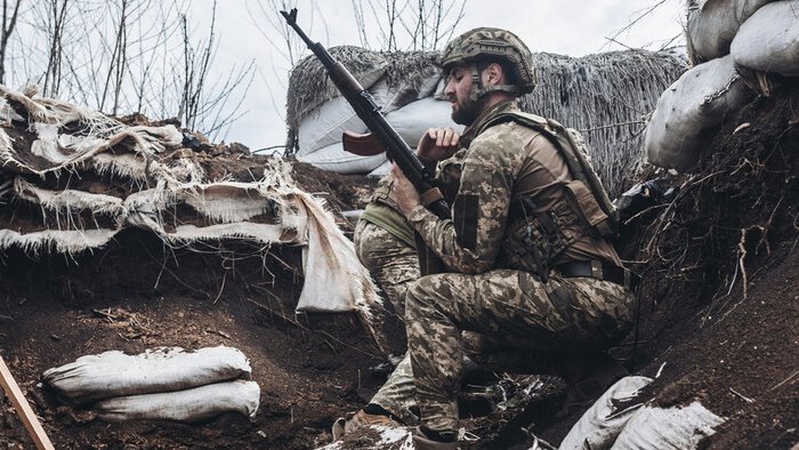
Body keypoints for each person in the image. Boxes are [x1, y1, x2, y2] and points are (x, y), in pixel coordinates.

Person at [338, 27, 635, 449]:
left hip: (581, 297)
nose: (447, 91)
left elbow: (468, 259)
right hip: (598, 297)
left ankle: (436, 437)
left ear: (491, 75)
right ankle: (588, 371)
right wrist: (431, 166)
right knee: (472, 337)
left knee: (428, 296)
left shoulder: (494, 145)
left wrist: (413, 210)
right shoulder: (535, 133)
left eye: (457, 77)